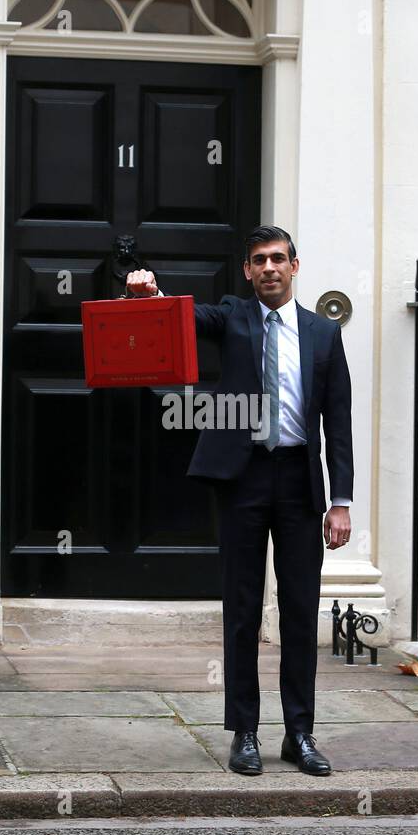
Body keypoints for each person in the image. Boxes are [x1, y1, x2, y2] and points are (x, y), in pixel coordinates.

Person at [124, 224, 353, 777]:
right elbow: (185, 317)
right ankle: (244, 733)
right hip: (244, 478)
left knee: (300, 612)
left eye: (279, 258)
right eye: (259, 261)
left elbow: (339, 422)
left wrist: (340, 500)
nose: (269, 267)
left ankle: (299, 733)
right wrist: (150, 292)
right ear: (248, 272)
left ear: (295, 267)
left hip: (299, 481)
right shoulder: (233, 316)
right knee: (243, 610)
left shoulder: (323, 334)